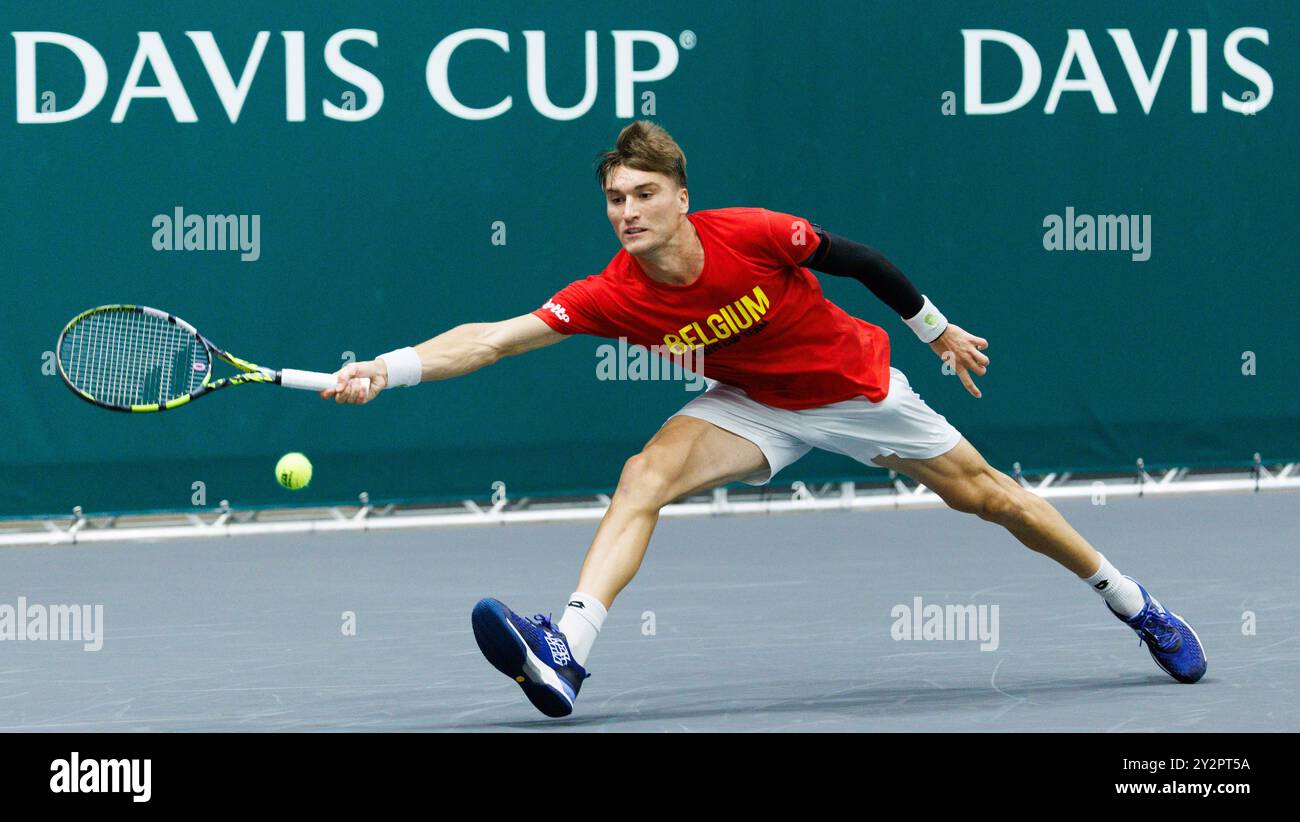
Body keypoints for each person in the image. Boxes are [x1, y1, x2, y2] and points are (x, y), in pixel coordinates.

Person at [323, 121, 1206, 718]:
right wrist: (387, 369)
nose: (625, 212)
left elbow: (860, 259)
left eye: (640, 194)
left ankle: (1135, 604)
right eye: (613, 199)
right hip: (753, 406)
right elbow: (492, 340)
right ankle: (566, 649)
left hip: (856, 390)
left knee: (995, 501)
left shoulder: (751, 234)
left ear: (679, 196)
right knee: (645, 475)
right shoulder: (612, 292)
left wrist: (935, 334)